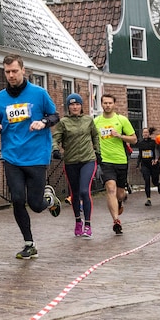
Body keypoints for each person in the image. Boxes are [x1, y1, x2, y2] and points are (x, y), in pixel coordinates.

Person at [0, 54, 61, 260]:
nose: (11, 75)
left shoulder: (39, 93)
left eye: (14, 71)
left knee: (36, 205)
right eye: (7, 72)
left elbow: (54, 115)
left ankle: (49, 199)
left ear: (23, 70)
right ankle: (29, 243)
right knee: (17, 199)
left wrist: (43, 123)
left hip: (36, 155)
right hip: (11, 156)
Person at [53, 93, 101, 238]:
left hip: (88, 159)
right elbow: (56, 138)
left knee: (84, 191)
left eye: (77, 104)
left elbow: (95, 136)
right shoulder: (63, 122)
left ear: (81, 106)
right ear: (68, 107)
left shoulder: (88, 120)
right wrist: (55, 149)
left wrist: (98, 151)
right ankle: (78, 222)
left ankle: (88, 224)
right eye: (72, 104)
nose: (75, 107)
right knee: (74, 193)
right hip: (71, 161)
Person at [93, 94, 136, 235]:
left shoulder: (121, 120)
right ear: (101, 104)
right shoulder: (96, 121)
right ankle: (116, 221)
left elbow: (134, 139)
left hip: (121, 160)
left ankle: (120, 202)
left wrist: (120, 136)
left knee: (120, 193)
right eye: (105, 103)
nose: (107, 105)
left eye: (110, 103)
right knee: (110, 188)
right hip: (105, 161)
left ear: (114, 104)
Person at [134, 127, 160, 207]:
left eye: (147, 132)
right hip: (145, 164)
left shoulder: (153, 142)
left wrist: (156, 159)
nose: (145, 134)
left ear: (149, 134)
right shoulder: (140, 143)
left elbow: (157, 151)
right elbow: (140, 154)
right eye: (144, 132)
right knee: (147, 180)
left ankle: (158, 185)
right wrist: (138, 164)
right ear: (142, 134)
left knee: (154, 180)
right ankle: (148, 199)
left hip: (153, 164)